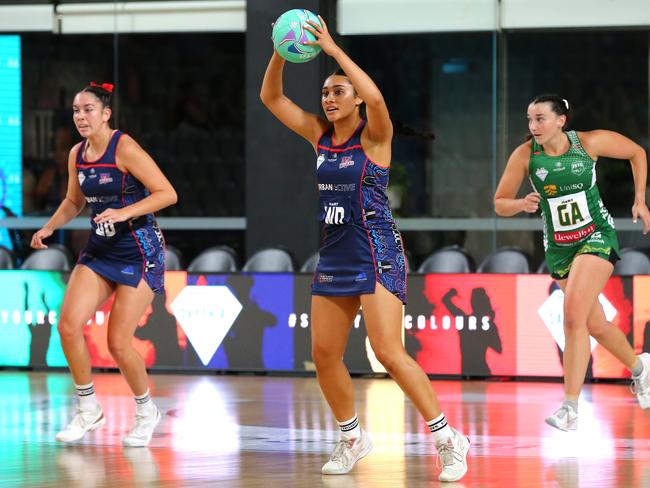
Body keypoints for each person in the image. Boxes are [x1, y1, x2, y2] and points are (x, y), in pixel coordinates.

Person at [260, 16, 469, 482]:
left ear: (354, 97)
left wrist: (333, 50)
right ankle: (352, 437)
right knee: (324, 352)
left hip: (376, 250)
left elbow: (376, 98)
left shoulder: (374, 137)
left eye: (338, 92)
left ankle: (448, 440)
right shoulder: (318, 135)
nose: (329, 99)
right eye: (325, 93)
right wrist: (280, 48)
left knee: (389, 352)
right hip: (334, 253)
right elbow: (270, 98)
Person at [30, 82, 177, 446]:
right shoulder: (76, 154)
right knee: (67, 325)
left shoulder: (124, 147)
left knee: (118, 342)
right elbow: (73, 200)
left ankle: (145, 411)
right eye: (76, 110)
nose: (81, 116)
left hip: (140, 249)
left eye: (88, 109)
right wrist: (49, 226)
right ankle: (88, 409)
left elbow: (167, 193)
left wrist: (124, 210)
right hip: (101, 249)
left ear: (106, 113)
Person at [494, 93, 650, 431]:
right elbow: (499, 203)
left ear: (561, 120)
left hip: (596, 236)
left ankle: (570, 408)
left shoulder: (588, 143)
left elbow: (637, 153)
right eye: (530, 119)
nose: (533, 126)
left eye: (540, 118)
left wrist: (640, 199)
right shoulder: (525, 156)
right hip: (559, 248)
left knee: (573, 317)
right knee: (593, 324)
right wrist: (521, 204)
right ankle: (641, 369)